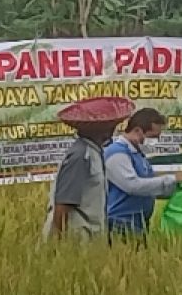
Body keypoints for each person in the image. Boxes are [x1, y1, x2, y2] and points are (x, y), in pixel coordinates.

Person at [43, 96, 135, 242]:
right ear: (103, 130)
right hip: (75, 240)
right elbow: (64, 202)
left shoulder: (95, 153)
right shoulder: (81, 156)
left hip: (90, 240)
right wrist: (56, 244)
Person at [104, 107, 182, 241]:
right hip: (120, 225)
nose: (155, 142)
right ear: (137, 130)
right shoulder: (117, 153)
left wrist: (175, 189)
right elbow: (132, 185)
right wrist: (171, 178)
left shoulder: (138, 154)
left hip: (138, 224)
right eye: (153, 137)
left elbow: (149, 187)